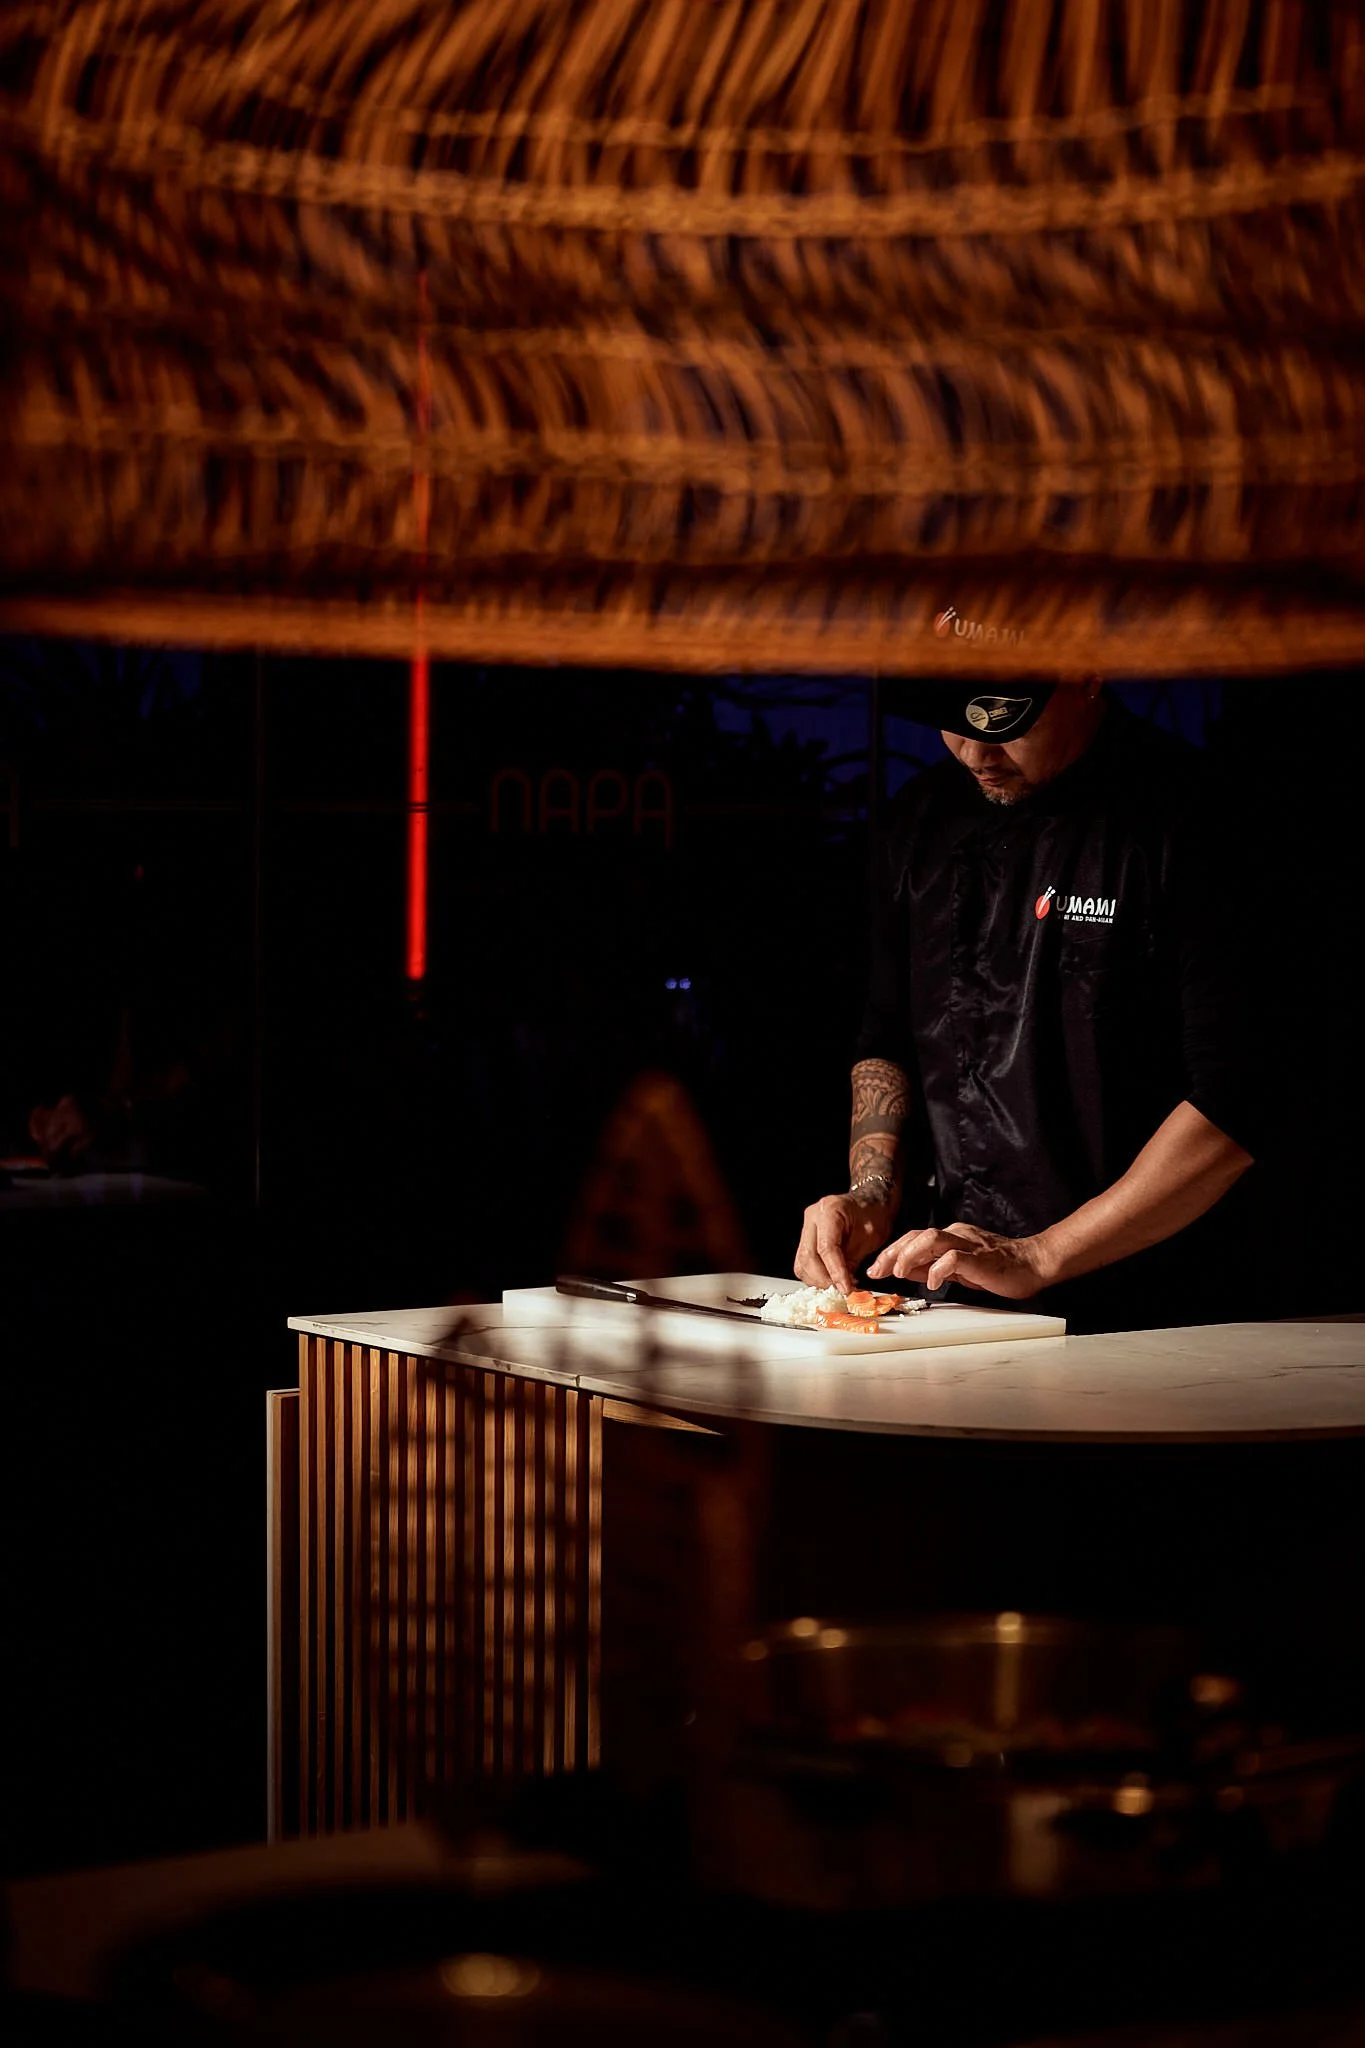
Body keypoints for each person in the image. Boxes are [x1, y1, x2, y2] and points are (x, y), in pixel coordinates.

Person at [794, 676, 1259, 1332]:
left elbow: (1237, 1101)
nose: (974, 752)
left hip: (1165, 1311)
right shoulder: (922, 818)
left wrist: (1039, 1255)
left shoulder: (1199, 819)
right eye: (950, 722)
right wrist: (871, 1196)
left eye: (1002, 722)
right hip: (956, 1301)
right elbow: (887, 1033)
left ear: (1087, 676)